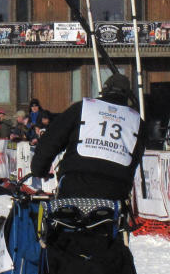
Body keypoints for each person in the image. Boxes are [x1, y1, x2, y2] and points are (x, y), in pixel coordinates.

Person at [30, 73, 147, 201]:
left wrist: (39, 169)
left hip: (75, 183)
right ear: (128, 95)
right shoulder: (136, 121)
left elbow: (51, 139)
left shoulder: (84, 107)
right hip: (115, 190)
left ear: (104, 89)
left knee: (62, 218)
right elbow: (136, 156)